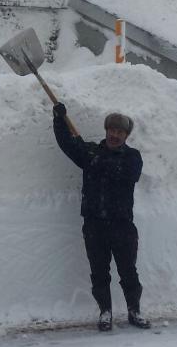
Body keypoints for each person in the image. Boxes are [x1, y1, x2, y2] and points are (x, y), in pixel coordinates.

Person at [53, 103, 150, 332]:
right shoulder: (91, 153)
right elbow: (67, 145)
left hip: (122, 224)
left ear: (126, 135)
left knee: (128, 272)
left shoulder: (132, 157)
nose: (115, 135)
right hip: (94, 225)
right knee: (99, 272)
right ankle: (105, 311)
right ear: (106, 130)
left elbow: (126, 174)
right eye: (112, 130)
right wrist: (59, 119)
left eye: (120, 132)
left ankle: (134, 310)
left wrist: (96, 161)